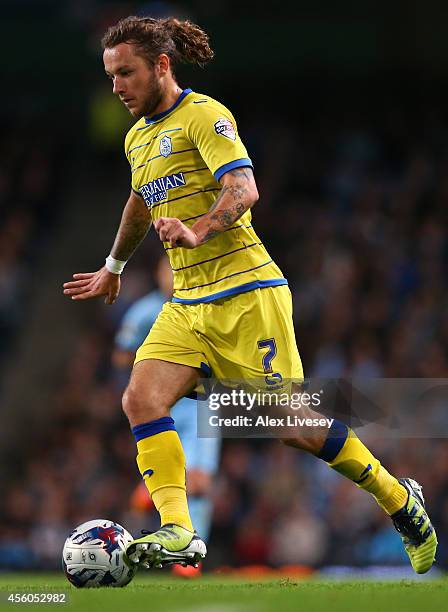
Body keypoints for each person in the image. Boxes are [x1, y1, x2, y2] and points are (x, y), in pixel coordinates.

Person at [63, 15, 437, 573]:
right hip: (187, 303)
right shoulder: (137, 137)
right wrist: (115, 264)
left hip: (246, 292)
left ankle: (399, 501)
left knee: (294, 427)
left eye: (127, 73)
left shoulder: (205, 116)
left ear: (161, 66)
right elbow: (141, 202)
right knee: (141, 398)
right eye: (112, 75)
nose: (117, 87)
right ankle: (179, 530)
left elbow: (243, 189)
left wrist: (198, 229)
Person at [112, 255, 221, 576]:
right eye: (167, 271)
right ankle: (153, 501)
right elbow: (120, 356)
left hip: (201, 406)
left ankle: (189, 560)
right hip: (162, 407)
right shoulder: (146, 311)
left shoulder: (205, 308)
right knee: (183, 477)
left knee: (200, 483)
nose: (173, 277)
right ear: (159, 274)